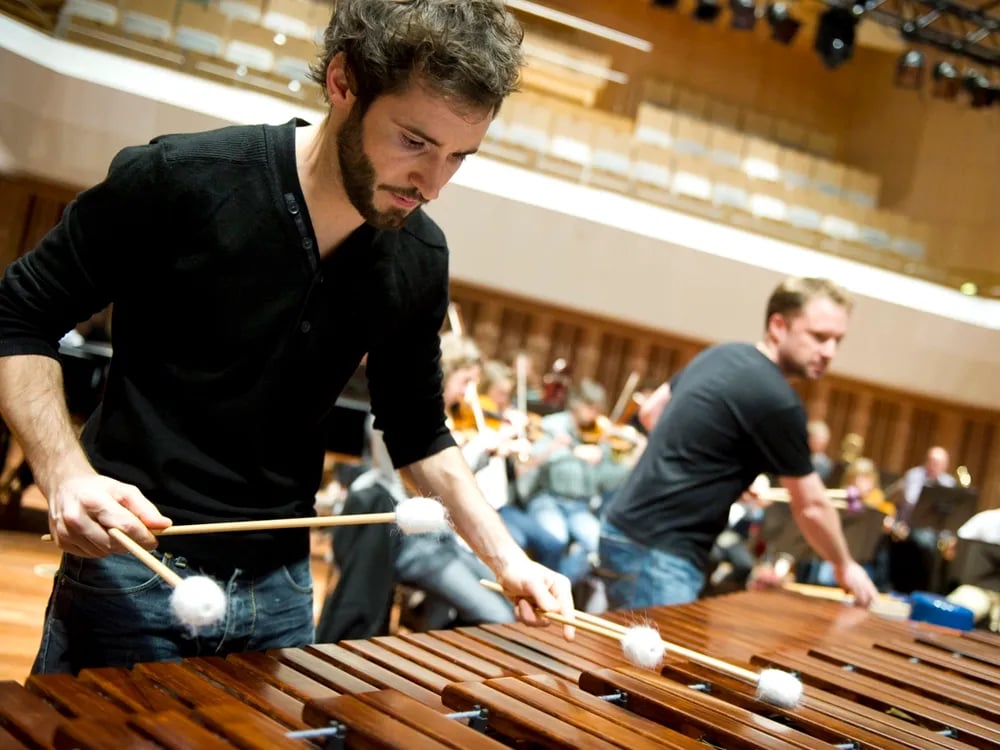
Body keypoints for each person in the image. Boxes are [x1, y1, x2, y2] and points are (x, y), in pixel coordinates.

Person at [0, 0, 573, 675]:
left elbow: (418, 433)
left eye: (459, 156)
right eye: (415, 142)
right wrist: (65, 475)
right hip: (129, 567)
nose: (434, 183)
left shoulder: (418, 255)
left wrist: (510, 562)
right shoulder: (182, 180)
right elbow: (19, 315)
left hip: (281, 595)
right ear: (342, 82)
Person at [600, 277, 878, 610]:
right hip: (659, 554)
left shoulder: (722, 353)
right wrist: (844, 565)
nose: (829, 352)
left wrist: (717, 470)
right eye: (819, 337)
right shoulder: (777, 399)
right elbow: (812, 505)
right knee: (653, 663)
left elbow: (651, 412)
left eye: (837, 341)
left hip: (620, 529)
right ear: (778, 325)